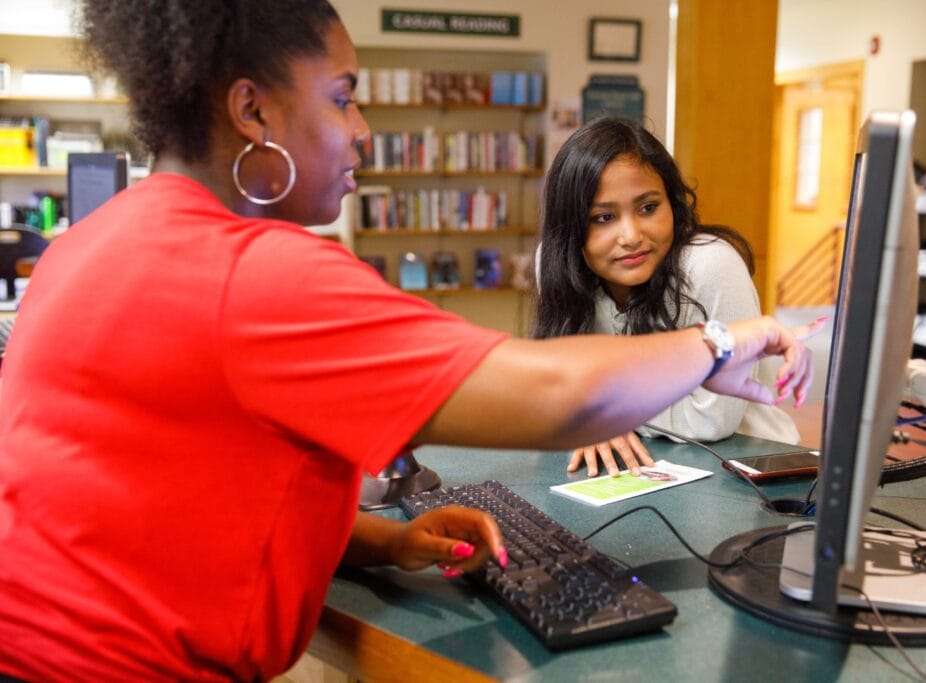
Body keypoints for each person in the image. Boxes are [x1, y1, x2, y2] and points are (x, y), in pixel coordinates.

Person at [0, 3, 816, 681]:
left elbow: (172, 498)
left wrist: (384, 539)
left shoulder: (85, 245)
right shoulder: (261, 274)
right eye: (343, 98)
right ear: (253, 111)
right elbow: (551, 396)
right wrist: (726, 339)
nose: (362, 131)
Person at [534, 116, 805, 478]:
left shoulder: (711, 266)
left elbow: (711, 420)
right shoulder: (556, 267)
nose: (631, 235)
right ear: (569, 229)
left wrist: (601, 408)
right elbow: (552, 386)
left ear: (672, 203)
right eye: (603, 217)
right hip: (641, 464)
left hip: (748, 470)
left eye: (648, 208)